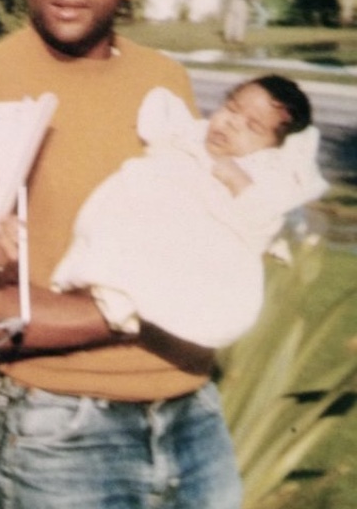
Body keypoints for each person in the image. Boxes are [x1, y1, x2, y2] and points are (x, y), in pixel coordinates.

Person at [0, 0, 243, 509]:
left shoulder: (166, 81)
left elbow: (201, 244)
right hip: (61, 434)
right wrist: (146, 304)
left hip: (193, 418)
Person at [52, 75, 327, 349]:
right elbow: (165, 134)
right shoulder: (191, 135)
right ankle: (103, 280)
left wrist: (239, 183)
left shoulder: (261, 174)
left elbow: (263, 221)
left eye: (252, 126)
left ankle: (124, 296)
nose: (231, 122)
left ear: (273, 148)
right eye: (231, 108)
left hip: (199, 242)